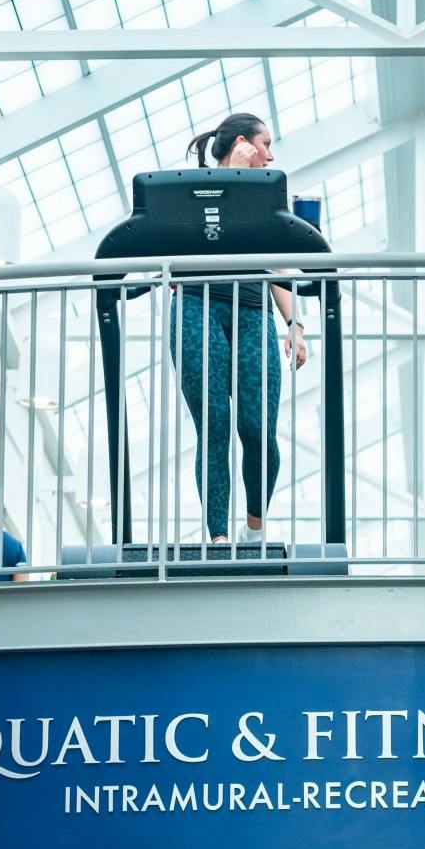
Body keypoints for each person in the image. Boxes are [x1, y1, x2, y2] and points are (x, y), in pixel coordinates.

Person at [171, 112, 309, 545]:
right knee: (214, 424)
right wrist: (233, 172)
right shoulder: (192, 191)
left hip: (252, 311)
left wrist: (295, 324)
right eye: (265, 144)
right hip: (197, 306)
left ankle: (253, 529)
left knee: (258, 429)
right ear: (242, 144)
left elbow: (277, 264)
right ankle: (217, 538)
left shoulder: (265, 198)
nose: (271, 155)